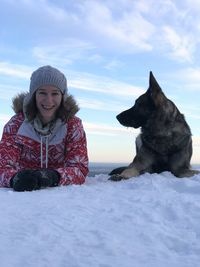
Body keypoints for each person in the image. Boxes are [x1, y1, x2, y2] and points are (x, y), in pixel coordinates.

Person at [0, 65, 89, 191]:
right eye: (42, 93)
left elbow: (79, 169)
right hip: (21, 199)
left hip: (62, 198)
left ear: (62, 96)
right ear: (33, 95)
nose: (49, 100)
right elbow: (2, 168)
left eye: (55, 93)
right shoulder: (16, 125)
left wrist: (53, 176)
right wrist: (15, 178)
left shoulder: (73, 126)